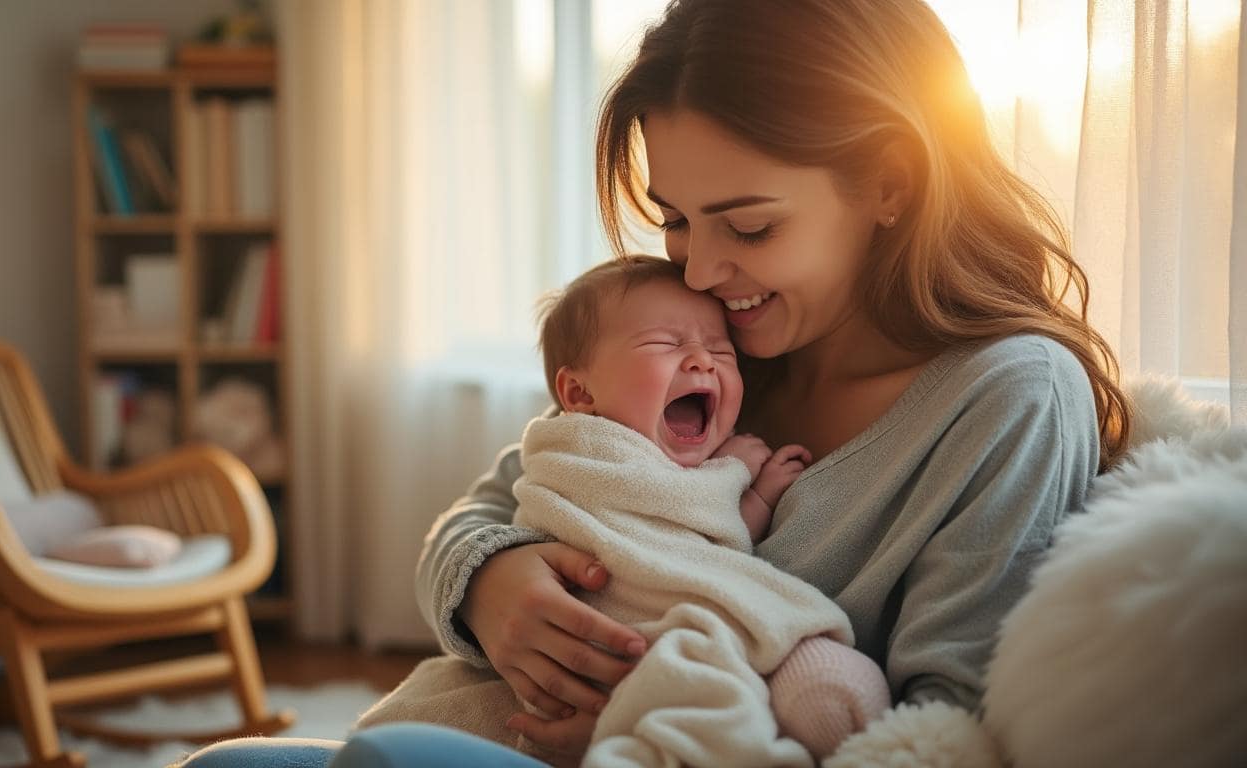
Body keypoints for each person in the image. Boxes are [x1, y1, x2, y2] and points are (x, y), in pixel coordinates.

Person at [177, 0, 1130, 765]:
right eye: (675, 219)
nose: (702, 269)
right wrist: (490, 586)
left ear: (890, 184)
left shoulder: (1009, 401)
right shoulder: (713, 348)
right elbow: (482, 510)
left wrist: (658, 729)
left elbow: (941, 733)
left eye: (748, 227)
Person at [354, 256, 889, 765]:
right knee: (402, 729)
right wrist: (485, 576)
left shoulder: (713, 463)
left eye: (722, 352)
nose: (703, 358)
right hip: (588, 638)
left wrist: (753, 493)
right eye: (666, 343)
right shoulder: (577, 449)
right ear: (579, 392)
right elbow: (484, 517)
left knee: (808, 688)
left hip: (682, 639)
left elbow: (709, 545)